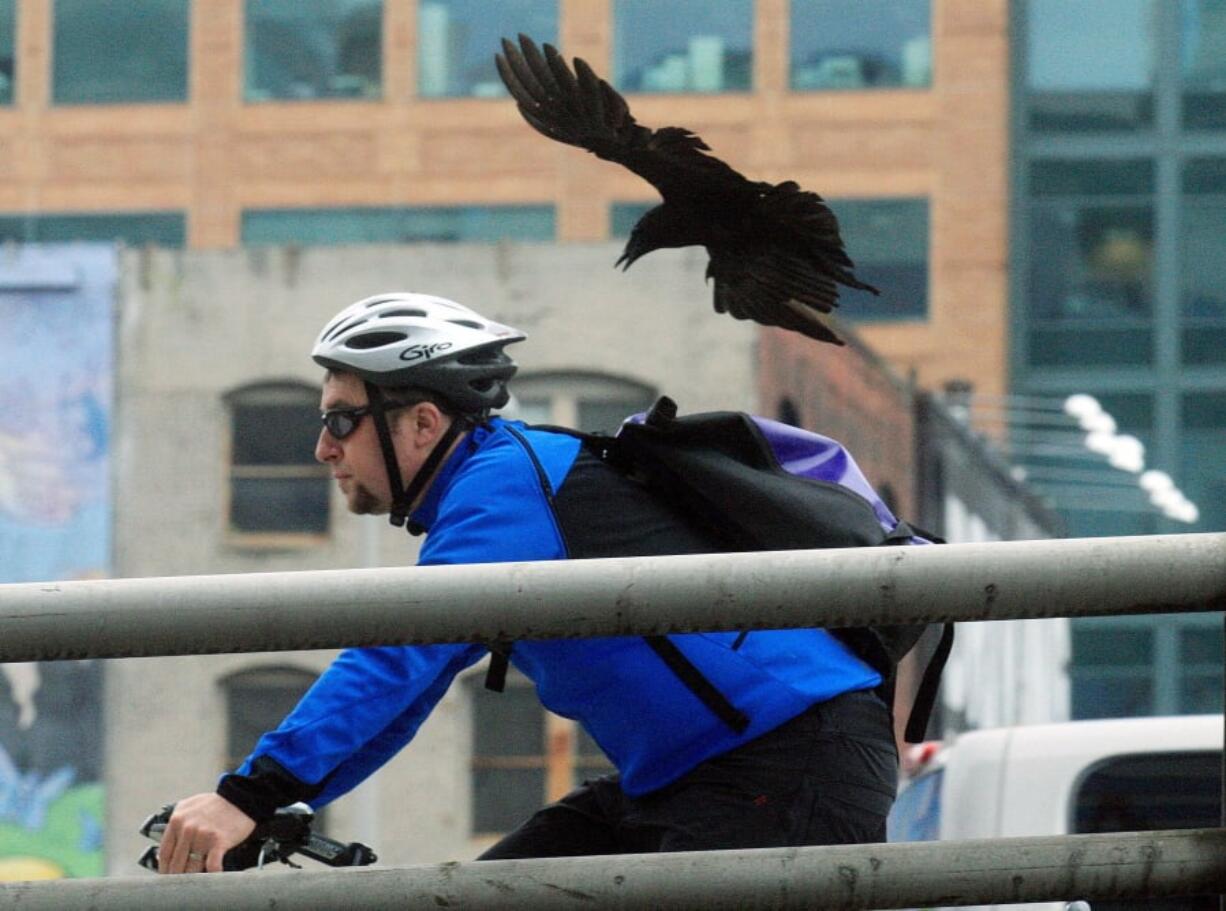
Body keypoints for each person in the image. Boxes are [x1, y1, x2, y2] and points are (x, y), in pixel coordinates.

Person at [157, 292, 898, 874]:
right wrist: (280, 799)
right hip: (691, 777)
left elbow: (396, 655)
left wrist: (246, 793)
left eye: (342, 420)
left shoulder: (505, 482)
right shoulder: (495, 487)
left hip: (790, 759)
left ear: (421, 422)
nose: (324, 448)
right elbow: (412, 689)